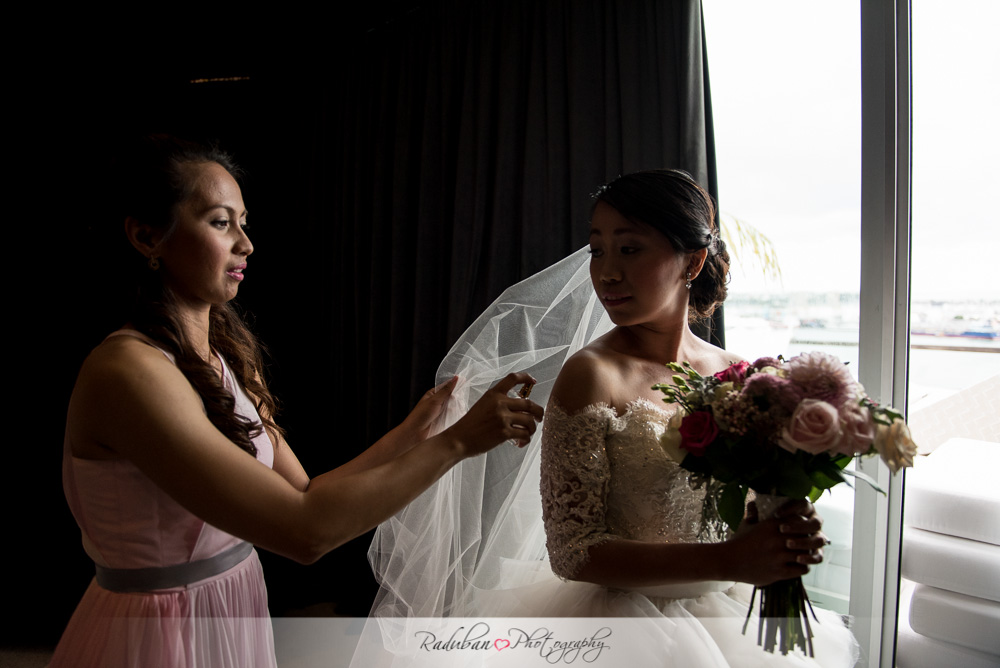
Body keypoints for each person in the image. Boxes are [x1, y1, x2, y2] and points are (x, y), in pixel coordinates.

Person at [51, 135, 543, 668]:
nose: (246, 244)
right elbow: (305, 532)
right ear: (147, 236)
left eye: (244, 222)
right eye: (220, 222)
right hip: (159, 629)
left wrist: (419, 428)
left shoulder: (223, 354)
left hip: (233, 604)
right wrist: (456, 444)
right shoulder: (129, 371)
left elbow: (308, 491)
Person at [363, 170, 858, 667]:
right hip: (623, 632)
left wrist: (779, 526)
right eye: (598, 250)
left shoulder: (738, 374)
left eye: (630, 249)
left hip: (732, 620)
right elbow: (574, 551)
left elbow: (739, 508)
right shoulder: (593, 375)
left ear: (693, 260)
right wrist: (730, 560)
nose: (606, 273)